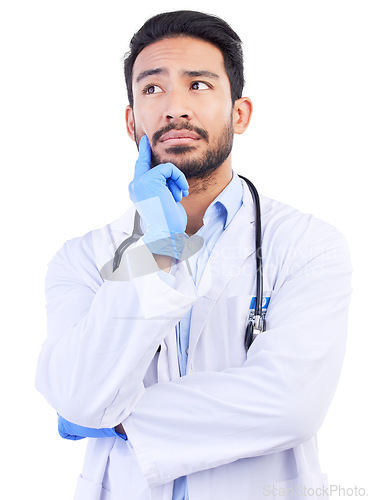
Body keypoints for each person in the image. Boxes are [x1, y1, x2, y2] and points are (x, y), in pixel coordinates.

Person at [35, 10, 352, 500]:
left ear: (239, 113)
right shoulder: (81, 259)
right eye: (153, 89)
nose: (174, 108)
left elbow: (292, 406)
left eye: (199, 85)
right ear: (130, 120)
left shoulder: (308, 246)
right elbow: (79, 397)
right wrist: (154, 251)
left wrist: (118, 421)